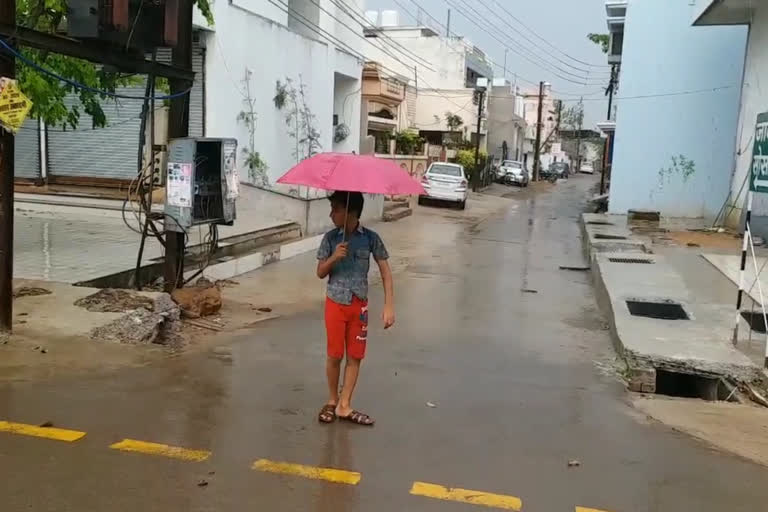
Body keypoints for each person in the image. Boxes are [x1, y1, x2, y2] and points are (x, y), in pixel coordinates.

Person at [316, 191, 394, 426]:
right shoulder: (330, 239)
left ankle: (344, 404)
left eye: (336, 209)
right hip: (335, 303)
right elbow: (320, 272)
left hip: (359, 304)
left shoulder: (370, 238)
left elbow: (385, 271)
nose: (331, 214)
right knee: (334, 355)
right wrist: (334, 258)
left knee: (355, 356)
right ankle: (332, 399)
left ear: (350, 212)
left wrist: (389, 305)